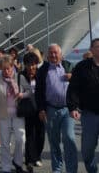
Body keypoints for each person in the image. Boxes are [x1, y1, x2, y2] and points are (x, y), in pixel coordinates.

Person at [35, 44, 77, 173]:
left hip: (67, 110)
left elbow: (78, 87)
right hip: (51, 110)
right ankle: (57, 169)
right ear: (47, 56)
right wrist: (41, 109)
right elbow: (39, 91)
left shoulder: (69, 66)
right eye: (51, 53)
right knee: (54, 142)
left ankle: (71, 170)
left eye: (56, 53)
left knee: (69, 139)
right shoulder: (43, 70)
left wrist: (73, 78)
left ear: (61, 55)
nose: (53, 55)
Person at [0, 55, 32, 173]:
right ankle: (6, 168)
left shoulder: (19, 77)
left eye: (9, 68)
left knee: (21, 138)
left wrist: (22, 95)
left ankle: (17, 161)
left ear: (13, 67)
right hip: (2, 116)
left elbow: (29, 91)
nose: (7, 71)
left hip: (18, 114)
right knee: (5, 143)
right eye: (4, 69)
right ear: (1, 68)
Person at [67, 38, 99, 173]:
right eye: (97, 46)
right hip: (89, 113)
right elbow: (73, 88)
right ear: (91, 50)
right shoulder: (82, 67)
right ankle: (92, 170)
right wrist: (73, 107)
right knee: (87, 149)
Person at [21, 52, 45, 172]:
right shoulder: (21, 76)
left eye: (34, 64)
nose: (31, 67)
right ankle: (29, 160)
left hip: (40, 110)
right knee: (30, 135)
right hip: (27, 110)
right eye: (29, 65)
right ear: (25, 65)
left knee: (41, 135)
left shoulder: (40, 75)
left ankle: (37, 156)